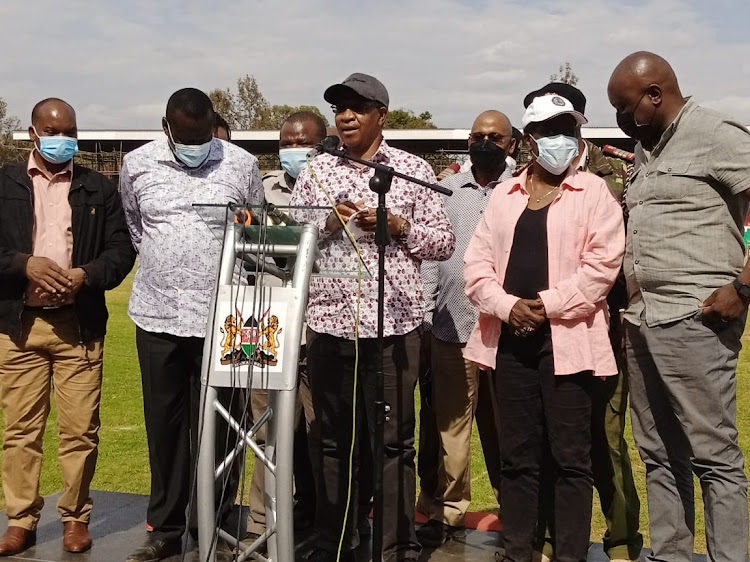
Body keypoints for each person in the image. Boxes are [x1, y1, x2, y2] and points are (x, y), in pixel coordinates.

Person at [290, 72, 455, 562]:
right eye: (340, 107)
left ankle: (395, 546)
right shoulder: (317, 172)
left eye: (358, 107)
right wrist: (327, 219)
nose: (346, 116)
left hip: (394, 329)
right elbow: (296, 241)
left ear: (381, 114)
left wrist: (399, 225)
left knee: (392, 444)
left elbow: (443, 241)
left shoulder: (411, 169)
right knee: (333, 440)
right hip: (330, 326)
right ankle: (336, 543)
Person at [463, 94, 624, 562]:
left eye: (567, 129)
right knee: (517, 457)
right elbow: (477, 265)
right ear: (531, 139)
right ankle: (520, 551)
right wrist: (509, 306)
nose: (561, 139)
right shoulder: (504, 194)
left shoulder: (594, 192)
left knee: (572, 458)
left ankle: (569, 553)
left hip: (570, 343)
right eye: (550, 129)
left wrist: (546, 306)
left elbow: (601, 268)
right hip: (511, 343)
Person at [608, 51, 750, 562]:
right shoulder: (647, 153)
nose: (623, 121)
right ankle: (670, 555)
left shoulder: (716, 131)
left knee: (713, 454)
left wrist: (744, 288)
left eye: (625, 109)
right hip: (643, 321)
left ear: (655, 94)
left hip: (697, 319)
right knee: (659, 454)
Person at [120, 88, 263, 562]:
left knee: (223, 427)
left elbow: (256, 230)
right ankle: (165, 527)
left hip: (226, 317)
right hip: (158, 315)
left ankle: (216, 528)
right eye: (186, 137)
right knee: (165, 425)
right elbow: (137, 227)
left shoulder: (240, 164)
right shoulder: (137, 163)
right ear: (167, 128)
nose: (195, 145)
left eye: (203, 137)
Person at [0, 98, 135, 556]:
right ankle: (20, 519)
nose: (64, 140)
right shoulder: (5, 184)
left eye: (71, 131)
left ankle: (76, 517)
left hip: (78, 327)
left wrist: (85, 277)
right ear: (34, 133)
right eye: (54, 131)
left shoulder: (98, 188)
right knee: (21, 431)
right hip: (19, 328)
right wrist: (26, 265)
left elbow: (121, 252)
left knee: (80, 431)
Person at [522, 82, 642, 562]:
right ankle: (550, 537)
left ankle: (620, 541)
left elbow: (617, 257)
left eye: (561, 125)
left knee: (606, 440)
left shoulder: (618, 172)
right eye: (542, 127)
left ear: (579, 121)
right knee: (549, 441)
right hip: (541, 337)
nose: (552, 135)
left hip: (603, 331)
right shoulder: (527, 174)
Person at [416, 110, 514, 547]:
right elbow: (433, 256)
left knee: (507, 426)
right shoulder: (446, 189)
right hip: (451, 325)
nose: (485, 142)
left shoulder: (522, 189)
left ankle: (515, 506)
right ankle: (449, 512)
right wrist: (424, 310)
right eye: (477, 135)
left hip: (509, 331)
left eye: (494, 136)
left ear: (511, 143)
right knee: (451, 427)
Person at [245, 110, 328, 543]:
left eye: (305, 144)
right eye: (287, 144)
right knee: (267, 436)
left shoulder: (339, 186)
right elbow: (245, 252)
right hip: (270, 327)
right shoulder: (261, 191)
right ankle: (262, 525)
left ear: (324, 143)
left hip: (322, 330)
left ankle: (321, 519)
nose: (294, 151)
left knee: (321, 435)